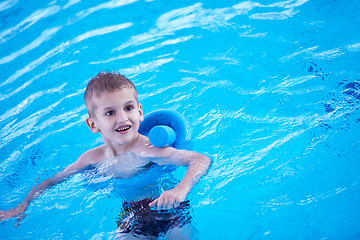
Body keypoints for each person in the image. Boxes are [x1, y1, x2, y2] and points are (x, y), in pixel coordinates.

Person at [0, 71, 211, 232]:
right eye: (110, 112)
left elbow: (200, 160)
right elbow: (51, 181)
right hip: (131, 214)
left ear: (139, 112)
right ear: (93, 125)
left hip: (169, 207)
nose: (122, 118)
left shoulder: (148, 150)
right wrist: (22, 205)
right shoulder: (92, 158)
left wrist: (180, 190)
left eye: (128, 108)